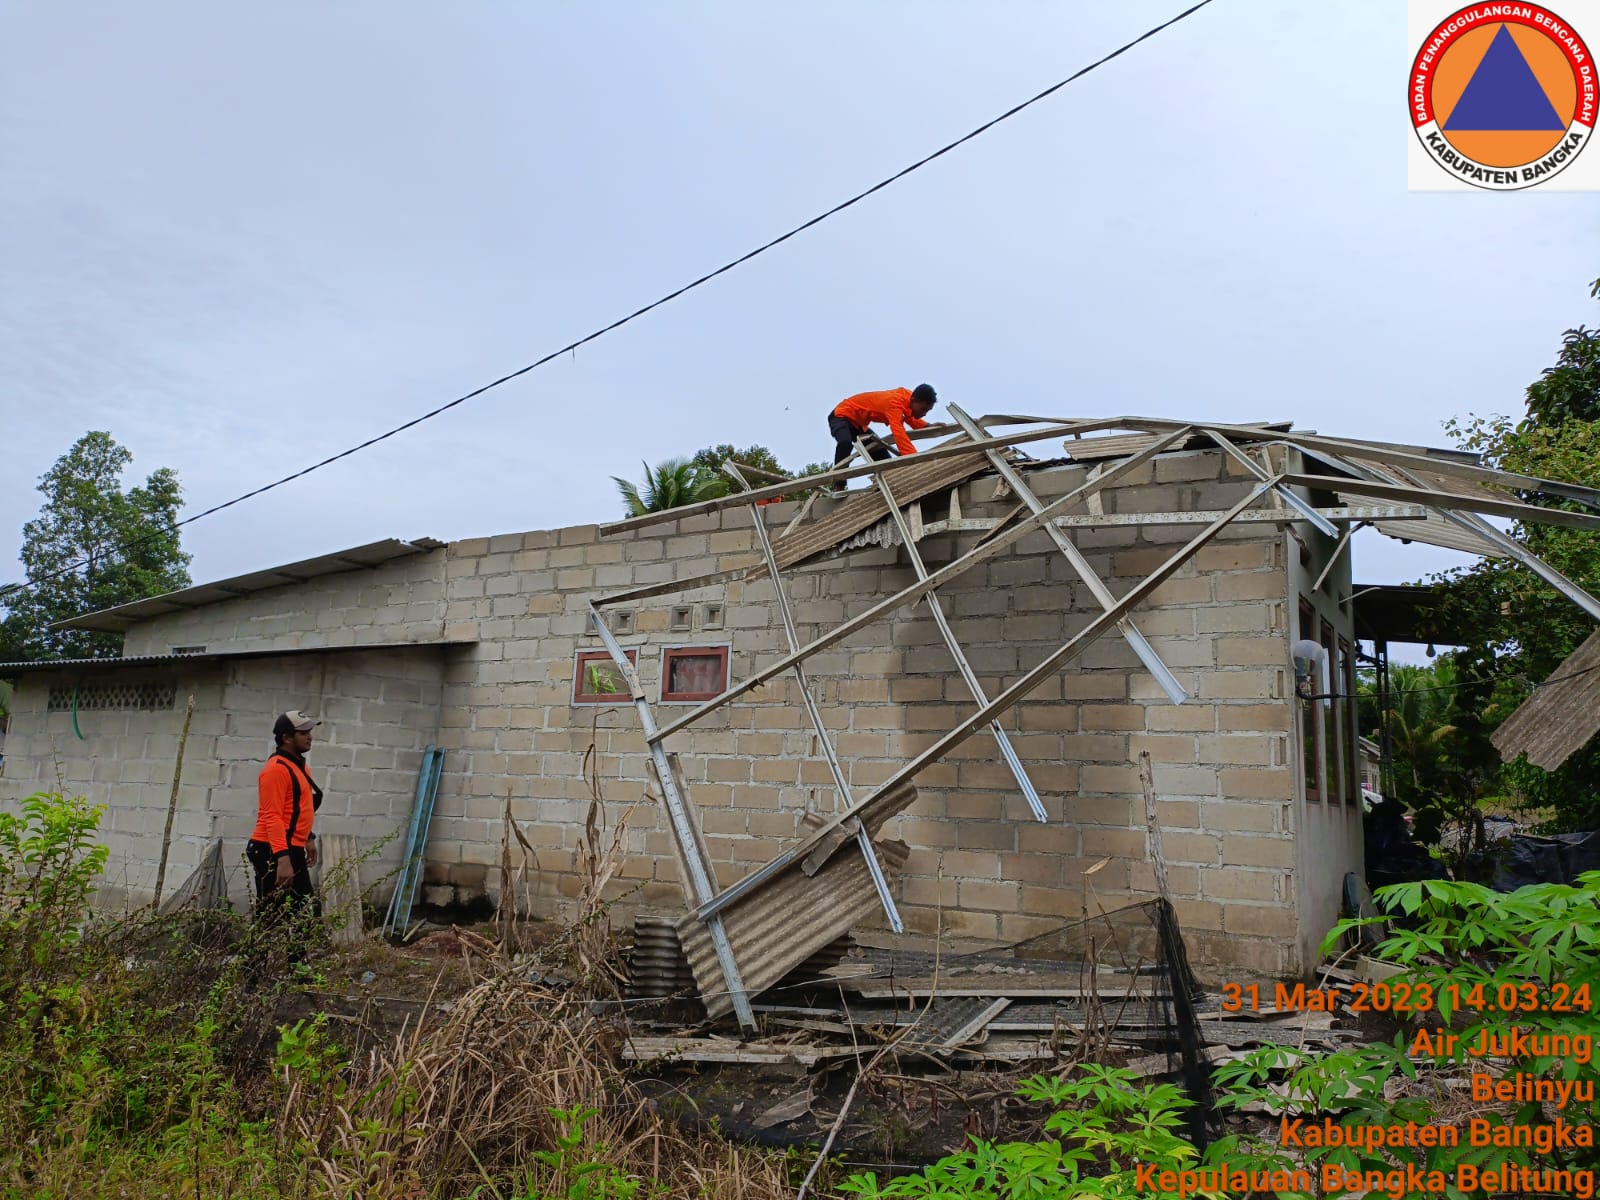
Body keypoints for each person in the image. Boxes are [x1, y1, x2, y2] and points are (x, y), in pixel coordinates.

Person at [246, 710, 324, 951]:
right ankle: (253, 978)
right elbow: (273, 817)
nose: (310, 737)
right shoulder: (275, 770)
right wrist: (283, 859)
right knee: (270, 915)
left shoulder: (299, 766)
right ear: (286, 738)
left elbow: (300, 807)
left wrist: (308, 838)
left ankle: (298, 971)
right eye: (303, 733)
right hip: (271, 849)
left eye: (310, 731)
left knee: (303, 910)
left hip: (289, 847)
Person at [827, 384, 937, 491]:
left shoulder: (907, 398)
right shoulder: (894, 403)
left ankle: (888, 482)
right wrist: (913, 458)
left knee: (881, 454)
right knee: (845, 443)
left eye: (927, 410)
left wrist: (927, 426)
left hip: (859, 425)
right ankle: (839, 483)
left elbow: (910, 417)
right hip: (841, 416)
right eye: (923, 409)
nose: (924, 414)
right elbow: (898, 433)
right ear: (914, 400)